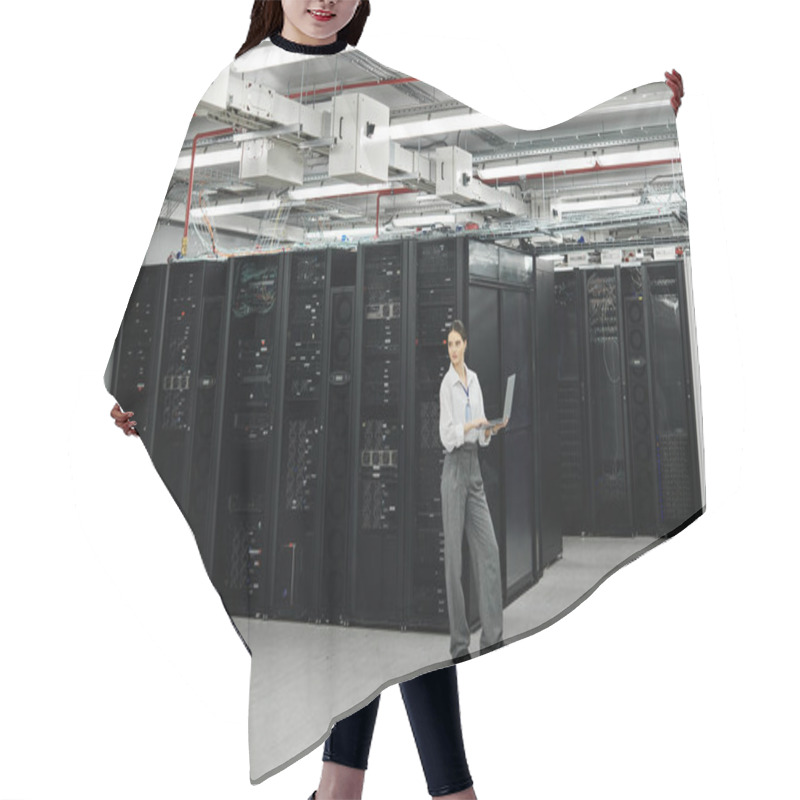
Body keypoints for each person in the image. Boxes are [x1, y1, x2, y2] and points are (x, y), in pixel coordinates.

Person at [109, 1, 686, 796]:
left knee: (401, 632)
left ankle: (353, 790)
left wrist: (646, 110)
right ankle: (424, 790)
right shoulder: (234, 86)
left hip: (446, 467)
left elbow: (522, 139)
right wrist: (131, 386)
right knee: (405, 634)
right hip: (396, 462)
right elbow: (159, 265)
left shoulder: (376, 83)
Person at [439, 321, 507, 661]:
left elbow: (480, 433)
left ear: (466, 344)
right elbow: (447, 435)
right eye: (449, 344)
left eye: (457, 343)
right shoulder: (446, 385)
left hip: (474, 469)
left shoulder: (474, 380)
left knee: (489, 551)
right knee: (454, 562)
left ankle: (493, 639)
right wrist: (471, 425)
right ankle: (459, 647)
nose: (453, 349)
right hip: (453, 470)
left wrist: (489, 430)